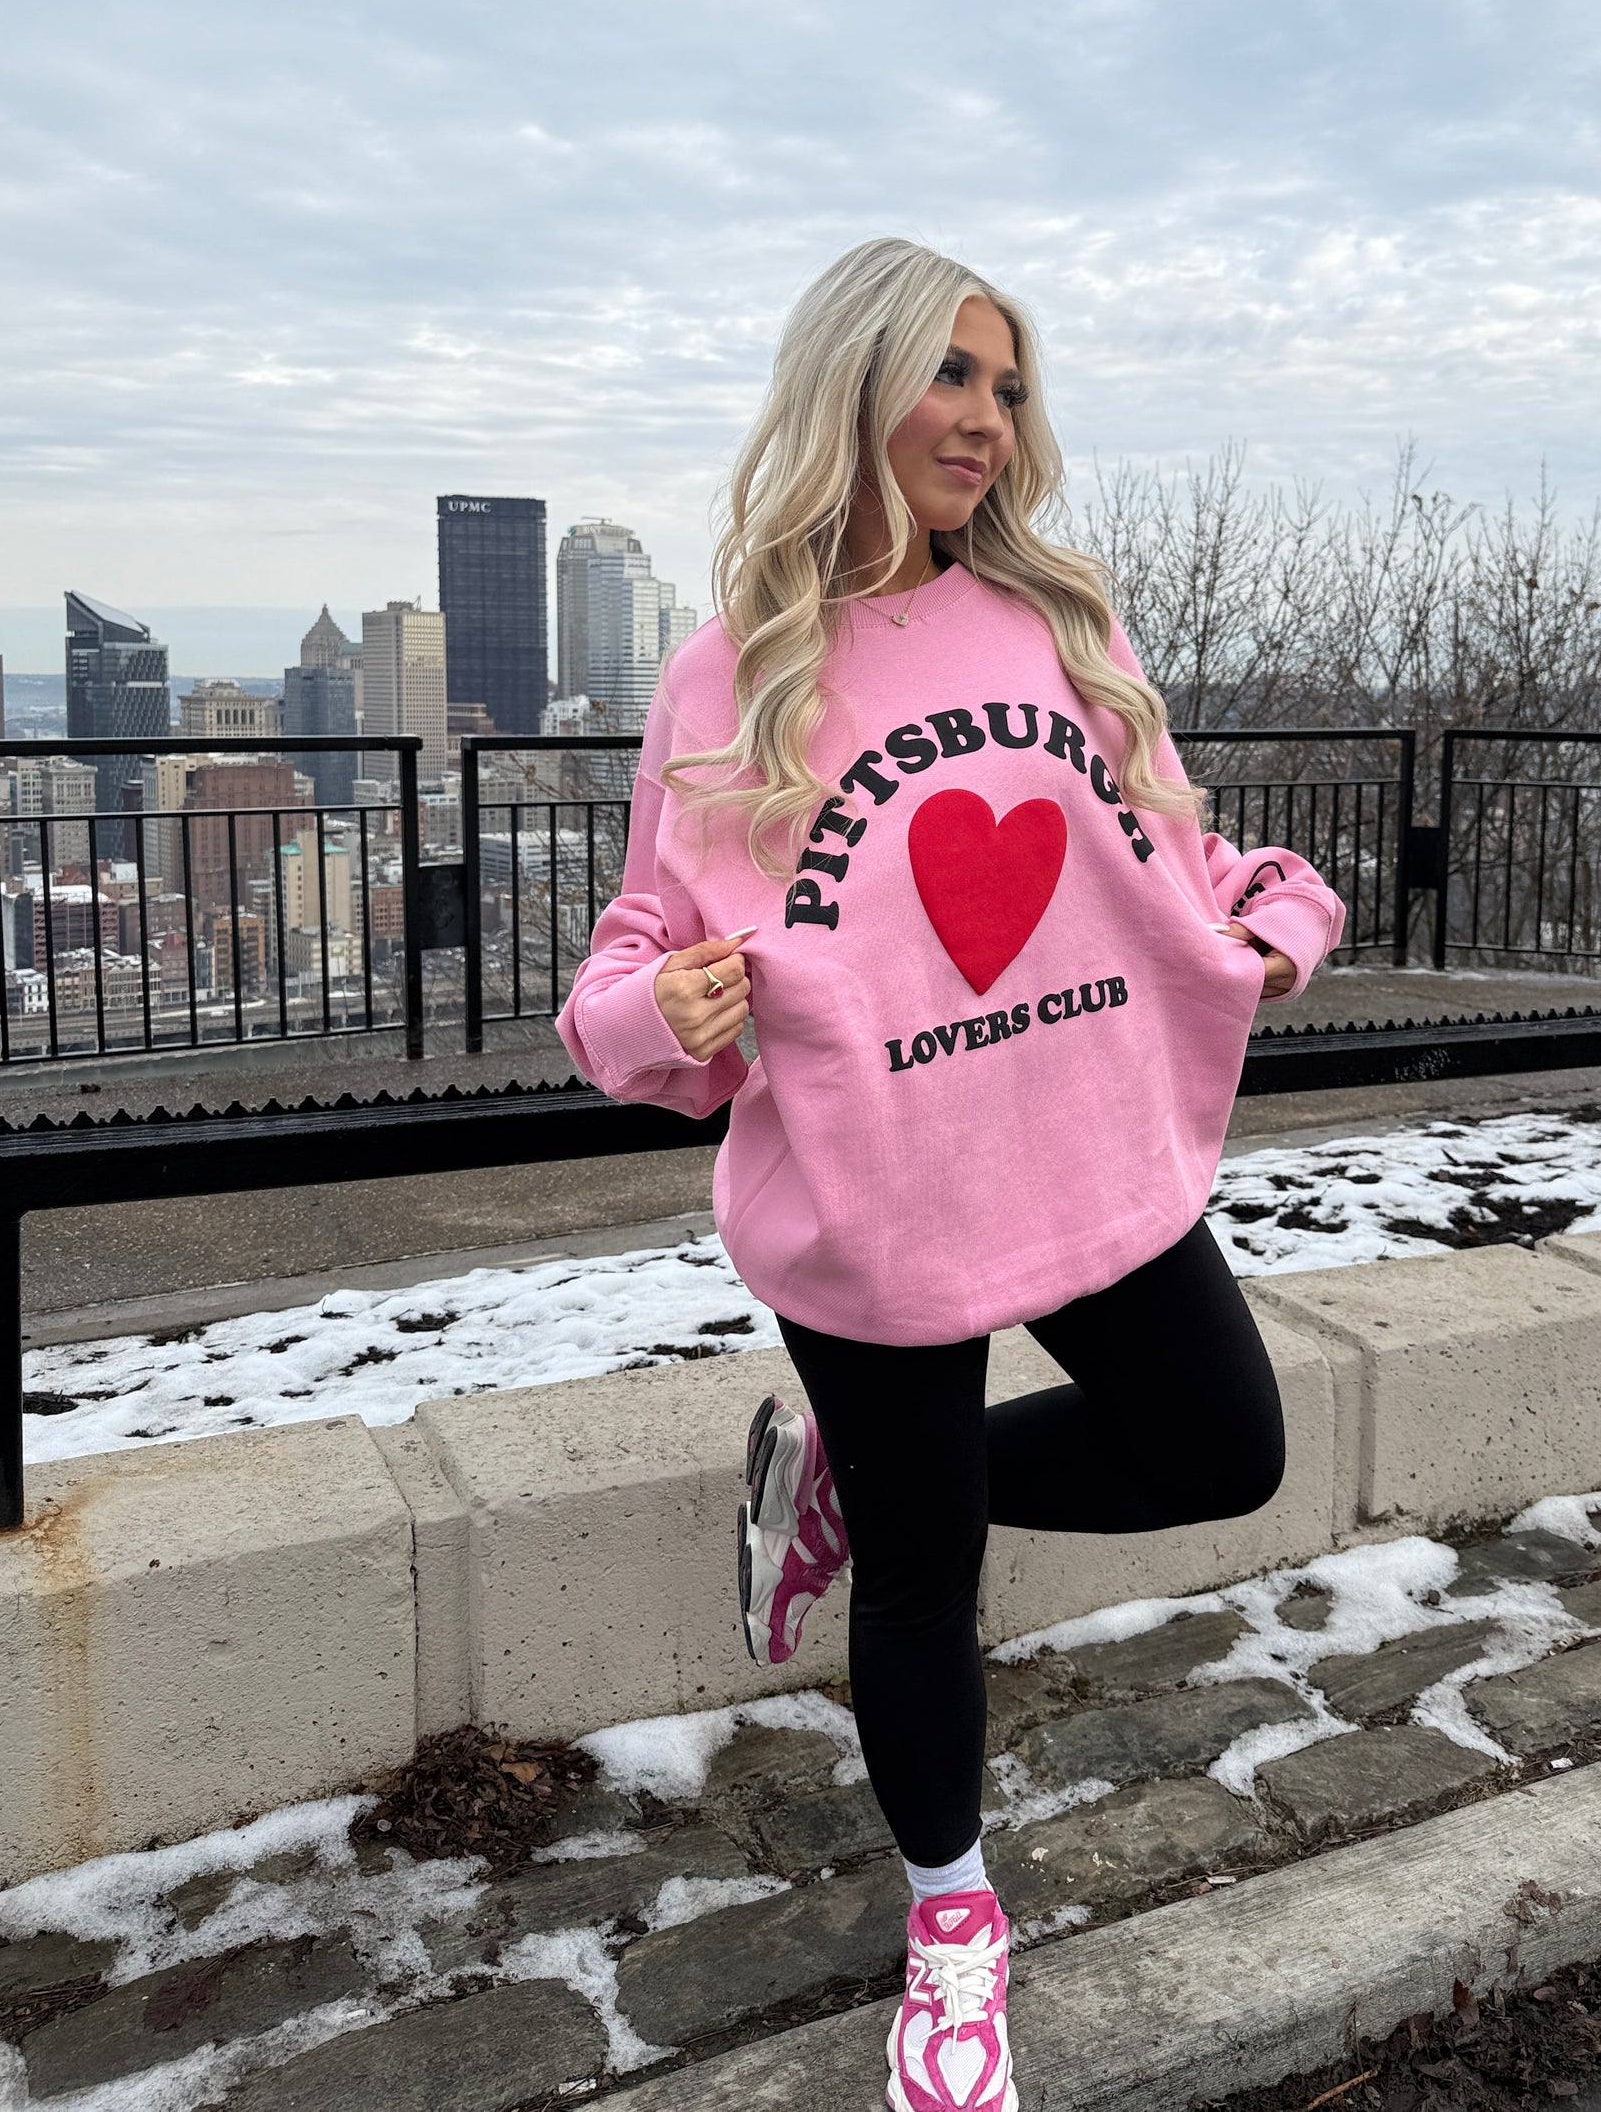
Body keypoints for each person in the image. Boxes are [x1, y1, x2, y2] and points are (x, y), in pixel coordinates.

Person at [557, 237, 1345, 2112]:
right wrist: (659, 1007)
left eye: (1008, 387)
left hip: (1079, 1153)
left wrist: (1283, 923)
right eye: (950, 376)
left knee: (1219, 1450)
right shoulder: (730, 674)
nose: (986, 420)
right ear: (854, 385)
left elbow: (1184, 862)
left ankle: (859, 1479)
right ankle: (952, 1922)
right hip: (874, 1202)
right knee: (923, 1582)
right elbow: (626, 970)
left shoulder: (1063, 629)